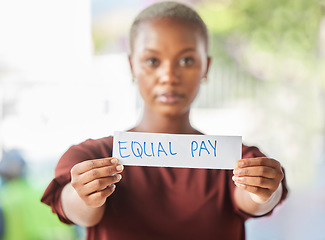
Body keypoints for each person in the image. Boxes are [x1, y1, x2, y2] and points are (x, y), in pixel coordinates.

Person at [41, 1, 288, 240]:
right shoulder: (91, 157)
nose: (169, 76)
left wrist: (263, 190)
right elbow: (76, 209)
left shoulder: (236, 159)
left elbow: (256, 201)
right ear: (131, 66)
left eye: (186, 61)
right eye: (152, 61)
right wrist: (84, 194)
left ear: (206, 67)